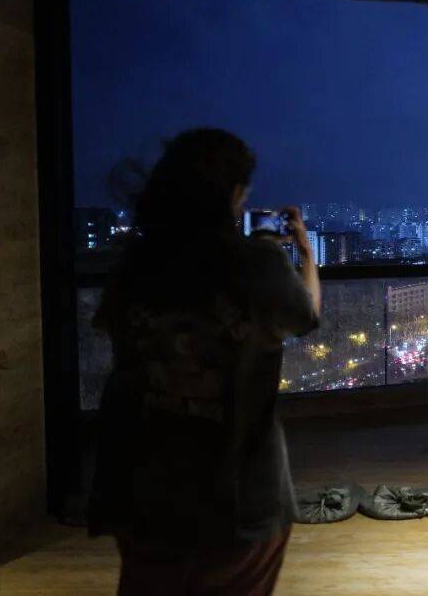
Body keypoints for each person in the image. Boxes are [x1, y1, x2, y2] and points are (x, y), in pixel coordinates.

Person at [88, 129, 320, 596]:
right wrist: (305, 255)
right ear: (233, 195)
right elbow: (305, 316)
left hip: (140, 487)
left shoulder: (135, 265)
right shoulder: (256, 264)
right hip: (235, 495)